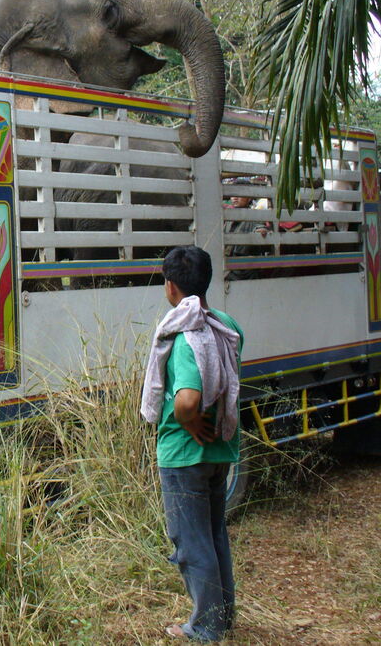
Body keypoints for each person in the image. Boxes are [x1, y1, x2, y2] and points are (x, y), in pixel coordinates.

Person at [141, 245, 244, 642]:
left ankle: (205, 628)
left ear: (170, 286)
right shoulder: (226, 323)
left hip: (185, 454)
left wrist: (188, 421)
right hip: (220, 449)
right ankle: (221, 617)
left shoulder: (186, 336)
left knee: (190, 541)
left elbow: (186, 398)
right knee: (215, 535)